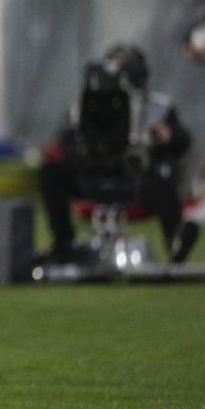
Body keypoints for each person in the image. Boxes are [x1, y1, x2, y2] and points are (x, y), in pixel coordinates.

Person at [38, 45, 198, 263]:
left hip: (138, 178)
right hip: (93, 174)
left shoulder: (159, 107)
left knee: (162, 175)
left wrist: (167, 136)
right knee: (51, 172)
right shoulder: (86, 106)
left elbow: (182, 141)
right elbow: (66, 143)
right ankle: (64, 245)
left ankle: (176, 243)